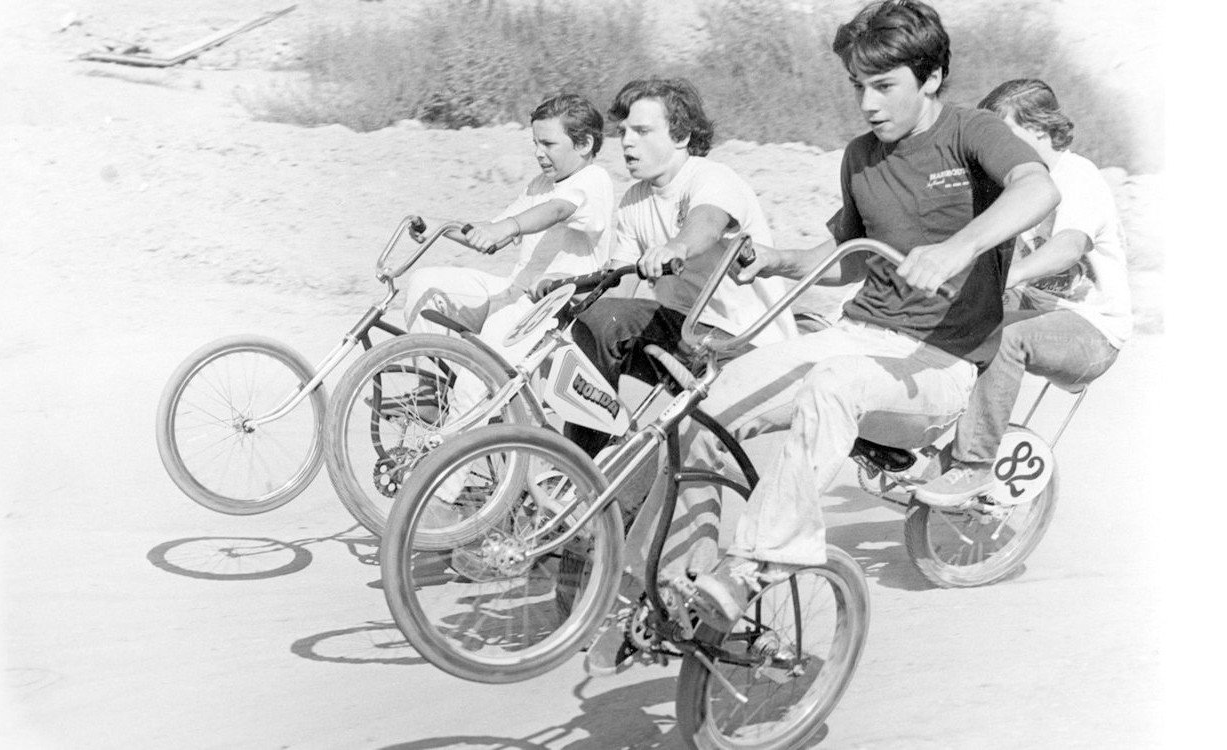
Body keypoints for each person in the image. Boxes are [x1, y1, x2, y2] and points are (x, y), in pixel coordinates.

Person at [677, 0, 1061, 630]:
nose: (868, 104)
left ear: (931, 77)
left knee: (834, 385)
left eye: (884, 86)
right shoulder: (860, 155)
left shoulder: (972, 132)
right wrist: (780, 260)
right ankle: (688, 575)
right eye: (859, 86)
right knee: (704, 413)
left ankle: (756, 566)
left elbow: (1038, 186)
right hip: (855, 335)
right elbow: (847, 256)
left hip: (938, 365)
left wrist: (959, 247)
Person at [569, 77, 800, 676]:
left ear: (685, 134)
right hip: (684, 337)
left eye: (642, 130)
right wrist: (568, 294)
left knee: (686, 463)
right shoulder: (631, 201)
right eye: (622, 131)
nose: (626, 142)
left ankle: (664, 576)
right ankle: (582, 481)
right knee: (592, 325)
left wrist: (674, 249)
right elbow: (616, 289)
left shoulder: (709, 178)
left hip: (743, 346)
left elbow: (701, 228)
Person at [915, 78, 1132, 505]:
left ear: (1040, 128)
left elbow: (1067, 248)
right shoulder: (1015, 183)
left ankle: (974, 466)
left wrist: (1007, 277)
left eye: (1003, 134)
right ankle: (915, 437)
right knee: (947, 323)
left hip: (1093, 332)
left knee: (1005, 339)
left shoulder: (1078, 176)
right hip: (1038, 313)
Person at [401, 93, 614, 339]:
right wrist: (439, 229)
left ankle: (477, 373)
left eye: (548, 144)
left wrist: (508, 226)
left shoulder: (593, 178)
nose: (538, 153)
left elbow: (556, 210)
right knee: (425, 284)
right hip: (514, 291)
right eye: (535, 143)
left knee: (489, 352)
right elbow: (494, 233)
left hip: (552, 305)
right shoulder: (541, 184)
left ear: (584, 144)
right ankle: (430, 372)